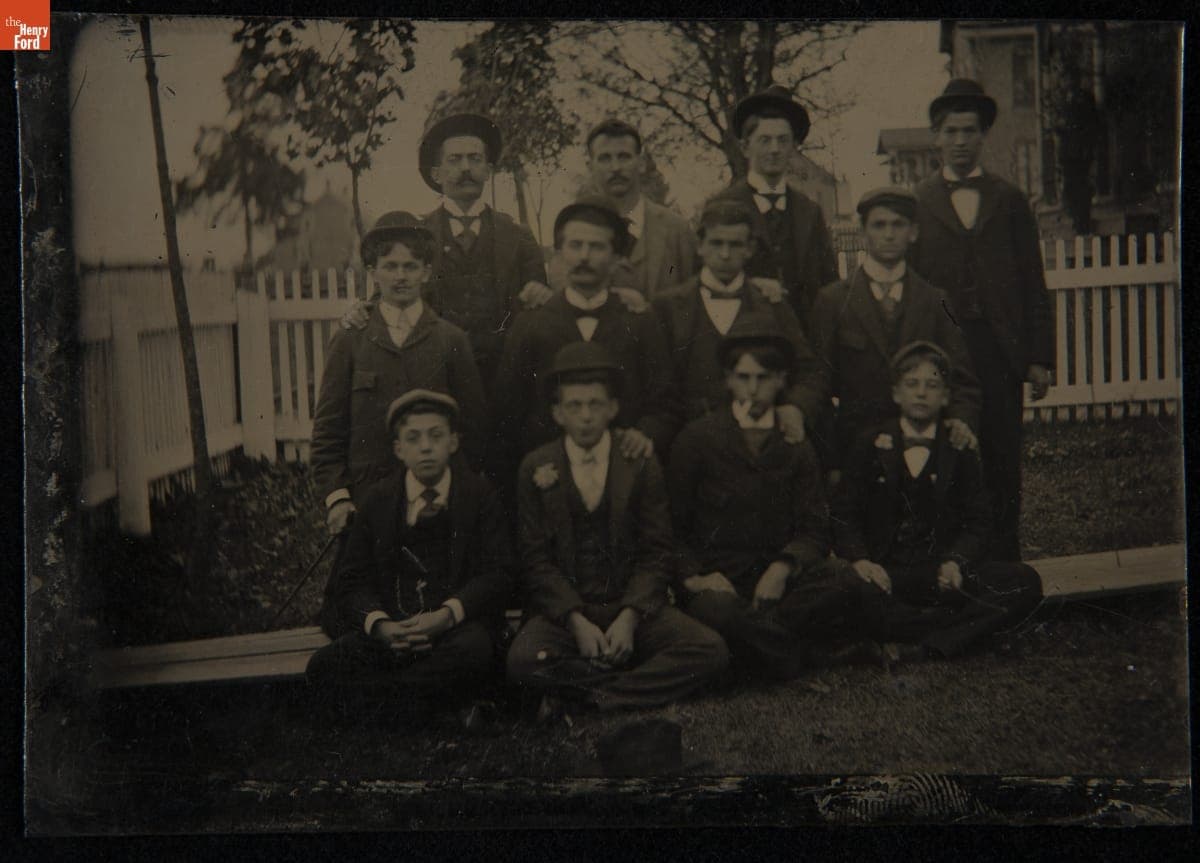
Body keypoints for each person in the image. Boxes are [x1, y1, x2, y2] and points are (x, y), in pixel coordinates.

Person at [505, 342, 728, 714]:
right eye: (574, 406)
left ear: (613, 408)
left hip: (631, 608)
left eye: (596, 404)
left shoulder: (639, 461)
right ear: (558, 413)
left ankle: (593, 697)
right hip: (567, 616)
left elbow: (657, 550)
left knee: (710, 650)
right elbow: (535, 560)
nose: (586, 416)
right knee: (523, 660)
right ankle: (634, 683)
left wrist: (629, 617)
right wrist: (575, 620)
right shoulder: (536, 467)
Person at [909, 79, 1055, 561]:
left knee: (1000, 453)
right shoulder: (919, 200)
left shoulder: (1009, 199)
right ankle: (953, 559)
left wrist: (1038, 359)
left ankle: (1004, 560)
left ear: (983, 136)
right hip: (944, 347)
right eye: (951, 131)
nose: (960, 141)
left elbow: (1033, 280)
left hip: (998, 349)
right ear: (936, 136)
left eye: (970, 131)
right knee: (946, 449)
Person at [308, 390, 514, 722]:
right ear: (398, 449)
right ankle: (435, 710)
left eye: (436, 436)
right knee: (323, 666)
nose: (426, 447)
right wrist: (382, 626)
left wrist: (447, 616)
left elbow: (499, 574)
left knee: (475, 652)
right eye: (413, 438)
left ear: (453, 442)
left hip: (451, 630)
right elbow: (352, 581)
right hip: (395, 629)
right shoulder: (377, 501)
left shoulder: (478, 495)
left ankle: (385, 708)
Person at [830, 342, 1043, 659]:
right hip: (887, 573)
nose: (921, 394)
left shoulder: (959, 446)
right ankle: (952, 632)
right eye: (912, 385)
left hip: (941, 574)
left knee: (1024, 581)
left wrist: (956, 561)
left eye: (932, 386)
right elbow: (844, 513)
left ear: (945, 396)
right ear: (896, 393)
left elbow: (979, 521)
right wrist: (862, 561)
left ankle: (922, 641)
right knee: (848, 592)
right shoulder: (871, 442)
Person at [667, 317, 852, 679]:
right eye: (743, 377)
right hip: (720, 580)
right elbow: (671, 527)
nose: (753, 389)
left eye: (764, 378)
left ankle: (753, 651)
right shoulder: (697, 439)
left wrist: (782, 568)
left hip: (777, 579)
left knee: (843, 578)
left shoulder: (795, 443)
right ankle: (795, 656)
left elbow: (814, 527)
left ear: (782, 381)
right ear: (728, 380)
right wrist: (694, 578)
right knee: (718, 610)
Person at [310, 211, 486, 536]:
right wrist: (337, 498)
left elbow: (473, 433)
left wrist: (458, 493)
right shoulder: (351, 339)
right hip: (366, 505)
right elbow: (327, 431)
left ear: (427, 272)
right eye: (390, 266)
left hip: (437, 504)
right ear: (373, 272)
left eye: (410, 266)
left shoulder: (450, 340)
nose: (400, 277)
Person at [342, 113, 551, 386]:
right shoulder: (416, 235)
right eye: (455, 160)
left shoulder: (519, 236)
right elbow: (389, 298)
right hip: (433, 379)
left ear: (488, 170)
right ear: (436, 173)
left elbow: (539, 306)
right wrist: (359, 311)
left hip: (505, 383)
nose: (466, 168)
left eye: (475, 159)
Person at [492, 195, 679, 475]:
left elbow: (664, 402)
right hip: (549, 477)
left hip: (623, 473)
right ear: (559, 253)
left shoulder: (640, 322)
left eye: (596, 247)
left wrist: (644, 434)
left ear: (616, 258)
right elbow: (507, 414)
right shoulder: (530, 324)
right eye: (575, 245)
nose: (584, 256)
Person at [809, 186, 981, 479]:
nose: (889, 234)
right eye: (878, 225)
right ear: (863, 233)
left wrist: (961, 421)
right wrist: (831, 460)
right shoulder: (834, 300)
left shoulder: (934, 300)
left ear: (913, 233)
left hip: (923, 445)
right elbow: (818, 385)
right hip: (855, 449)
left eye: (898, 224)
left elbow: (963, 380)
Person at [653, 196, 826, 442]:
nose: (725, 254)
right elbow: (658, 389)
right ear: (700, 245)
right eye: (716, 243)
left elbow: (809, 371)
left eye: (735, 245)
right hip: (687, 445)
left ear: (749, 249)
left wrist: (796, 407)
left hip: (760, 443)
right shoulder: (667, 308)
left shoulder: (771, 304)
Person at [720, 85, 838, 328]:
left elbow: (829, 286)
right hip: (742, 340)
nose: (774, 149)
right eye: (764, 140)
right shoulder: (723, 206)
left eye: (783, 140)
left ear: (794, 147)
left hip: (803, 343)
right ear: (745, 147)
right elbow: (706, 280)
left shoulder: (809, 211)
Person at [548, 119, 698, 302]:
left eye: (624, 157)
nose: (616, 168)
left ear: (641, 163)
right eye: (604, 158)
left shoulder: (676, 230)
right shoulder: (571, 233)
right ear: (590, 167)